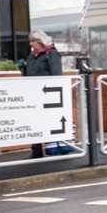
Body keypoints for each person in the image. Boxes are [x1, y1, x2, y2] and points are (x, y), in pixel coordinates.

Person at [20, 30, 62, 158]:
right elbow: (29, 74)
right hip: (34, 93)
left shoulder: (52, 54)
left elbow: (56, 74)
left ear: (40, 42)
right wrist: (22, 67)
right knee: (35, 120)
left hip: (47, 93)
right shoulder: (32, 56)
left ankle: (56, 147)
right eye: (30, 41)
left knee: (48, 121)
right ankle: (36, 150)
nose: (30, 44)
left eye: (33, 41)